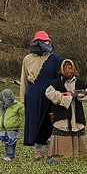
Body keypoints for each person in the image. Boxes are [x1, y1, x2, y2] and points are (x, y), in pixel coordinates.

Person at [20, 30, 63, 160]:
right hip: (33, 94)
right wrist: (23, 98)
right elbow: (24, 79)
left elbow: (60, 79)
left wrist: (59, 96)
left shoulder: (55, 59)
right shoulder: (27, 59)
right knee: (35, 122)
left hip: (50, 94)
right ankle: (38, 151)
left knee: (49, 122)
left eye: (45, 42)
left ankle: (51, 149)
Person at [44, 59, 87, 163]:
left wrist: (81, 96)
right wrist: (63, 98)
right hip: (62, 111)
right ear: (62, 70)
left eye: (70, 68)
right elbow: (48, 93)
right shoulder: (58, 82)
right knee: (61, 128)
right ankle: (59, 154)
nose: (68, 71)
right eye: (65, 68)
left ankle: (77, 154)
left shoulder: (79, 82)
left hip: (75, 111)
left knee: (76, 127)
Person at [0, 89, 25, 161]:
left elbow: (23, 112)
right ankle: (8, 154)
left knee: (11, 142)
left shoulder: (17, 106)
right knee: (6, 141)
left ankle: (10, 155)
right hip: (4, 128)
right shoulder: (0, 107)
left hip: (12, 127)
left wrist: (25, 106)